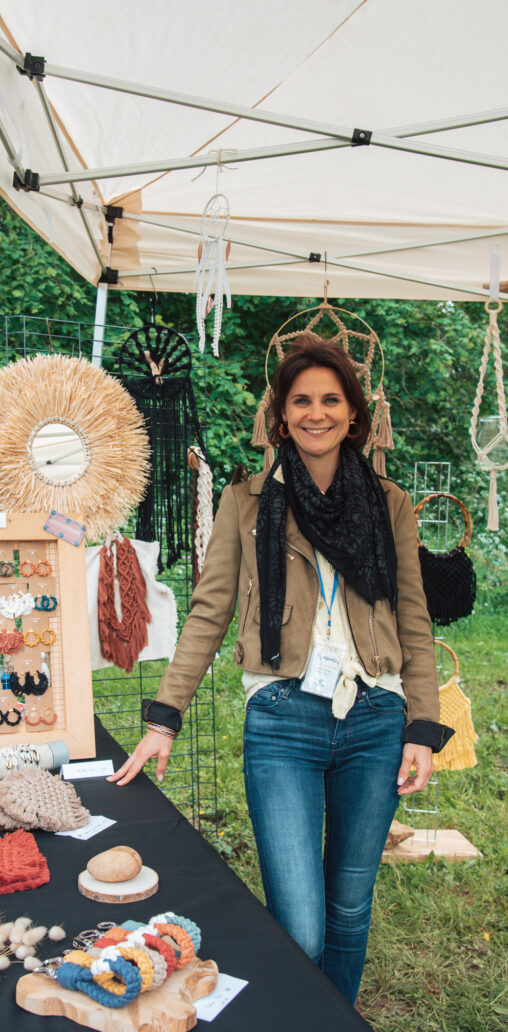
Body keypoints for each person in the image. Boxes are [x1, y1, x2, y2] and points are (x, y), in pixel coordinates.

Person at [108, 333, 453, 1004]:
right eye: (301, 401)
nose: (315, 413)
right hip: (282, 719)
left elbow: (414, 617)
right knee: (298, 922)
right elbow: (208, 614)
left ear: (353, 414)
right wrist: (163, 717)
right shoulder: (247, 501)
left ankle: (332, 1017)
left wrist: (423, 724)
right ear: (281, 415)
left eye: (330, 400)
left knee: (350, 909)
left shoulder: (389, 504)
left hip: (377, 718)